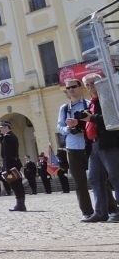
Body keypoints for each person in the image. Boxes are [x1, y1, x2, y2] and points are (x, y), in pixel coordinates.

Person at [81, 73, 119, 222]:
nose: (91, 87)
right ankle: (100, 212)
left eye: (93, 83)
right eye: (88, 85)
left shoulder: (108, 97)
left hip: (109, 142)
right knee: (95, 178)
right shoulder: (92, 102)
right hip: (95, 144)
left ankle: (116, 212)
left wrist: (91, 118)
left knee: (115, 177)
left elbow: (112, 119)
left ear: (100, 83)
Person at [57, 78, 94, 219]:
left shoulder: (89, 104)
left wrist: (81, 125)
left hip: (88, 145)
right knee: (79, 183)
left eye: (74, 86)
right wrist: (68, 128)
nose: (71, 89)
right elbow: (59, 127)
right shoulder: (65, 108)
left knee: (99, 179)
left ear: (80, 87)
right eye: (68, 88)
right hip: (72, 148)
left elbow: (94, 122)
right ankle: (87, 212)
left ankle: (109, 209)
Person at [0, 121, 26, 211]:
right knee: (17, 184)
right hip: (14, 164)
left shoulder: (7, 138)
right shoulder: (11, 136)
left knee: (14, 184)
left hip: (10, 166)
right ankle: (21, 204)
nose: (0, 129)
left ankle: (20, 205)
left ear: (6, 127)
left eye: (2, 127)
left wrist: (7, 168)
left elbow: (7, 154)